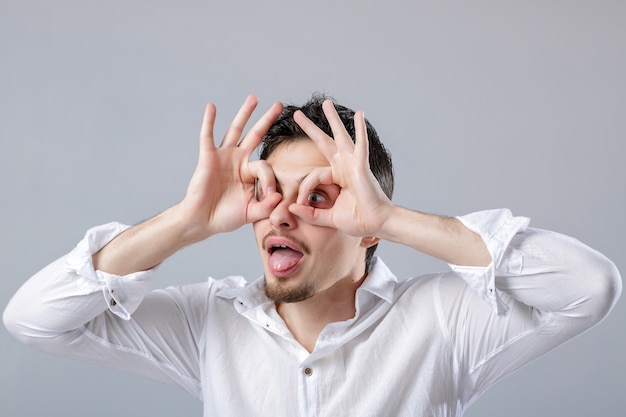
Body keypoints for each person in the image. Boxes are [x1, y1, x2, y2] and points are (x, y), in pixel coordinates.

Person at [3, 94, 622, 416]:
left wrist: (393, 218)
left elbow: (589, 287)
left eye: (319, 197)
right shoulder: (208, 326)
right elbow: (31, 319)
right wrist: (185, 222)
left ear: (367, 223)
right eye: (265, 191)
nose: (281, 212)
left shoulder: (442, 322)